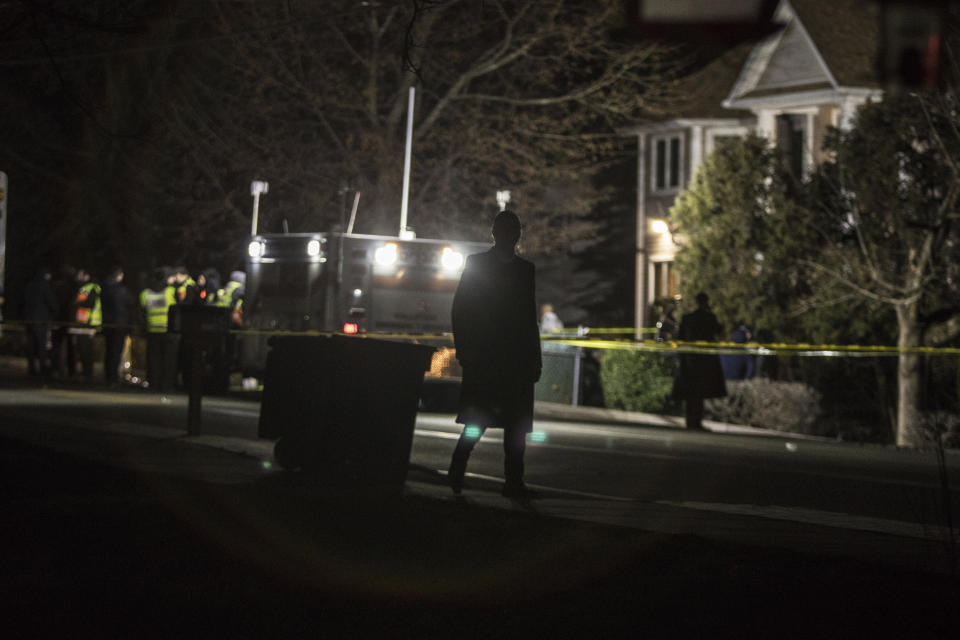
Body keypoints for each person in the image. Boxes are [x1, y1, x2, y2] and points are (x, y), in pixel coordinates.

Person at [447, 210, 542, 499]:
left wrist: (534, 359)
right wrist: (465, 350)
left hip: (513, 360)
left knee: (516, 426)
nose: (511, 237)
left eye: (514, 231)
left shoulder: (525, 270)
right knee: (479, 421)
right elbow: (461, 310)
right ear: (496, 234)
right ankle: (458, 468)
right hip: (486, 359)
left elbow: (529, 318)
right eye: (506, 231)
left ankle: (513, 481)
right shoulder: (478, 265)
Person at [675, 292, 726, 430]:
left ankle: (690, 421)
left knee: (691, 393)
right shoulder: (709, 318)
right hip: (704, 362)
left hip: (689, 361)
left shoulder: (687, 318)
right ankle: (695, 422)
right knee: (699, 393)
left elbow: (679, 339)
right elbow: (720, 331)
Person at [140, 267, 178, 392]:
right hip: (168, 331)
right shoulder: (171, 291)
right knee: (169, 360)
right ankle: (166, 386)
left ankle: (153, 385)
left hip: (152, 331)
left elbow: (142, 312)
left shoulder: (145, 293)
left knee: (153, 360)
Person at [22, 267, 58, 376]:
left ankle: (31, 368)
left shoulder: (29, 286)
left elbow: (23, 302)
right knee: (42, 345)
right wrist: (55, 314)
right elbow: (51, 302)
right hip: (41, 321)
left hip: (29, 320)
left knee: (31, 345)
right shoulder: (45, 286)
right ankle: (43, 367)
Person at [101, 266, 131, 386]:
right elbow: (128, 304)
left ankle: (108, 376)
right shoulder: (121, 291)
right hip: (119, 325)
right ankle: (113, 378)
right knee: (116, 352)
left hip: (107, 324)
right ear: (119, 276)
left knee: (108, 351)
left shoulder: (104, 289)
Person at [70, 268, 102, 379]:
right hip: (81, 323)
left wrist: (76, 303)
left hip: (87, 324)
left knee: (86, 350)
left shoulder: (92, 287)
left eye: (79, 274)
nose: (77, 276)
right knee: (82, 350)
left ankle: (88, 374)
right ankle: (85, 373)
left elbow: (90, 304)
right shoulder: (83, 287)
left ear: (86, 276)